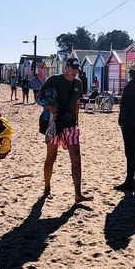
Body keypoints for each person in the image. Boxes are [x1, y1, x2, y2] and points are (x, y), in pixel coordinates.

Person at [39, 58, 92, 203]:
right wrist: (53, 109)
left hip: (71, 126)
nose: (75, 72)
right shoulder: (54, 80)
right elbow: (40, 98)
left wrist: (76, 121)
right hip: (55, 124)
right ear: (66, 67)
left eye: (77, 69)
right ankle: (47, 187)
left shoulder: (78, 83)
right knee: (51, 157)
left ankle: (78, 194)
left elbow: (77, 102)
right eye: (73, 69)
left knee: (76, 158)